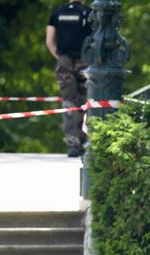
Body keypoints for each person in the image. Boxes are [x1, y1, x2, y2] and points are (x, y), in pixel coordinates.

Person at [46, 0, 92, 158]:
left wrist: (60, 58)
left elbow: (49, 40)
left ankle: (72, 144)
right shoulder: (88, 12)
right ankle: (86, 140)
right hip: (84, 62)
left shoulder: (57, 13)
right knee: (87, 102)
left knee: (69, 103)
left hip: (64, 61)